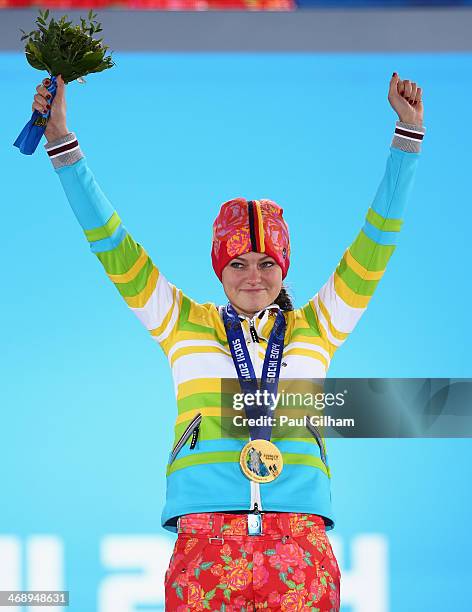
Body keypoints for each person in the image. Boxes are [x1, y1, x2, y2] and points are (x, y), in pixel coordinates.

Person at [32, 71, 425, 611]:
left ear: (284, 271)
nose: (253, 277)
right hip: (204, 546)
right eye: (237, 263)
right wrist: (60, 142)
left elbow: (376, 241)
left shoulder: (319, 325)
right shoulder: (181, 322)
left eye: (268, 264)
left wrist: (407, 139)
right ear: (220, 269)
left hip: (301, 543)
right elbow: (111, 242)